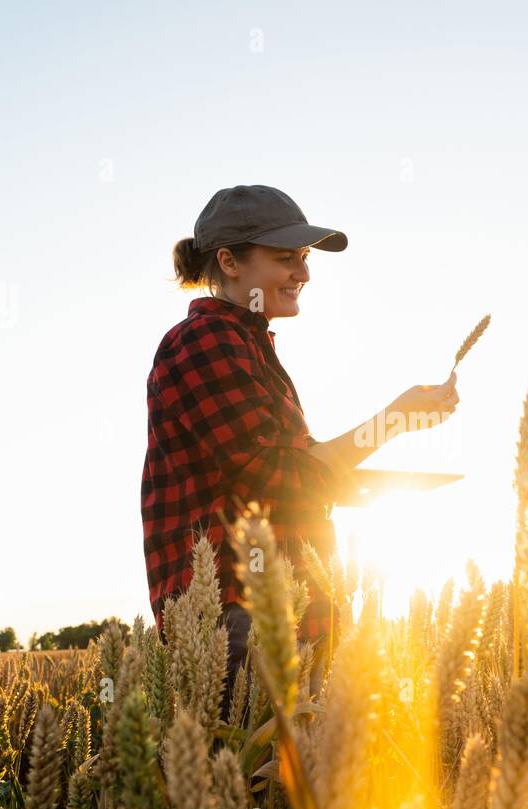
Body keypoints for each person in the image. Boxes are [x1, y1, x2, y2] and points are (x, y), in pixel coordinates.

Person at [141, 184, 459, 721]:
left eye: (305, 259)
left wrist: (393, 478)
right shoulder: (202, 343)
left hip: (286, 612)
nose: (303, 274)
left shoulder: (249, 344)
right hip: (235, 618)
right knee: (248, 791)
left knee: (291, 792)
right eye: (285, 258)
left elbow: (295, 478)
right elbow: (284, 478)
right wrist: (393, 421)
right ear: (228, 262)